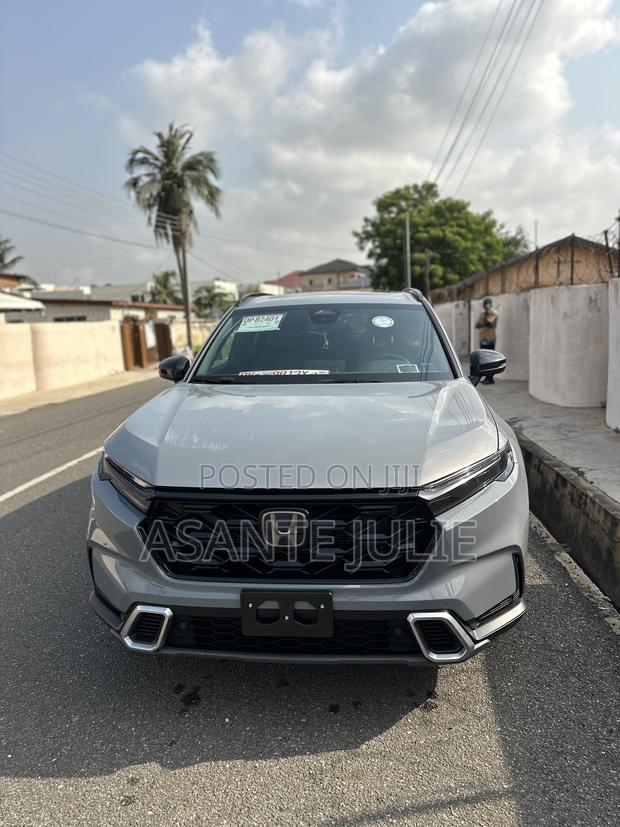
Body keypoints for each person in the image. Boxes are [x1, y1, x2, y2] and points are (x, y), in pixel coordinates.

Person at [475, 298, 498, 384]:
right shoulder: (482, 314)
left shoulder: (493, 314)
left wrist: (485, 322)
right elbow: (477, 325)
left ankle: (490, 378)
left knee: (490, 359)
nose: (486, 306)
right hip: (482, 338)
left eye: (487, 304)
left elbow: (491, 324)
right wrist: (484, 322)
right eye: (485, 304)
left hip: (490, 338)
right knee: (484, 359)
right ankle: (486, 377)